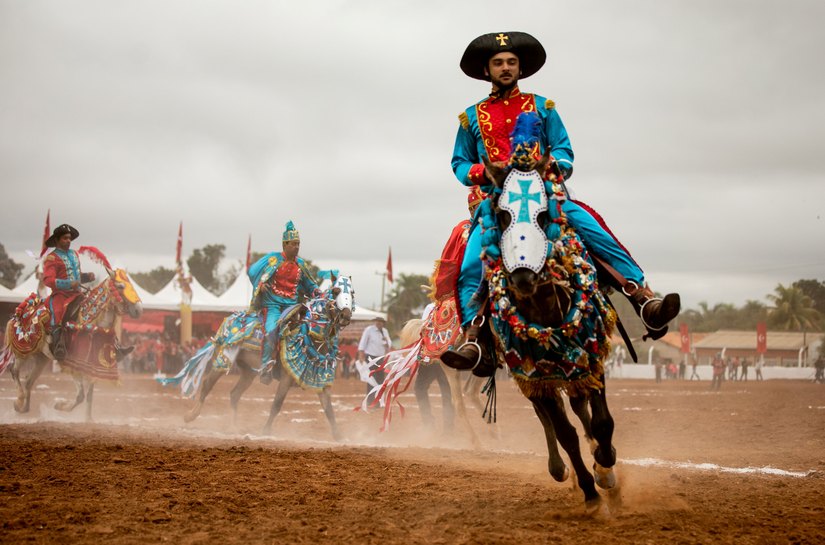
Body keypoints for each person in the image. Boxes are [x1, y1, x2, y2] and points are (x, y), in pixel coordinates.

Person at [442, 32, 680, 371]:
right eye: (498, 63)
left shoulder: (543, 107)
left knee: (592, 229)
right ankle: (472, 337)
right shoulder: (470, 117)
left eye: (511, 62)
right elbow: (459, 164)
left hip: (544, 196)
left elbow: (564, 150)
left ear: (520, 68)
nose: (506, 68)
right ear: (487, 70)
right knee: (470, 266)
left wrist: (554, 167)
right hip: (496, 205)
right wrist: (486, 172)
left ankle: (642, 299)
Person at [248, 221, 319, 368]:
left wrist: (316, 291)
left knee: (310, 330)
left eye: (298, 244)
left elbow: (310, 284)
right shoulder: (272, 259)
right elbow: (252, 271)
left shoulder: (301, 264)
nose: (297, 247)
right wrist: (260, 285)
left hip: (293, 307)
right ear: (284, 245)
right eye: (293, 244)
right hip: (273, 306)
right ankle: (266, 364)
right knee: (271, 331)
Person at [42, 224, 96, 360]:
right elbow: (48, 280)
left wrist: (86, 277)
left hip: (77, 294)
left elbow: (76, 278)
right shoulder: (51, 258)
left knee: (95, 308)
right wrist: (67, 284)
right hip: (61, 295)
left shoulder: (74, 254)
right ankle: (58, 347)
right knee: (58, 312)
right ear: (57, 240)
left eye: (70, 238)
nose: (68, 241)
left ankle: (113, 345)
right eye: (65, 238)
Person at [357, 316, 392, 406]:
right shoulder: (369, 330)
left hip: (381, 358)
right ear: (375, 322)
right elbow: (363, 343)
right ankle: (370, 401)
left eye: (380, 322)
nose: (378, 323)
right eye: (377, 321)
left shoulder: (385, 331)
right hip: (370, 358)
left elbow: (389, 345)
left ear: (383, 323)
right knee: (371, 380)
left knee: (380, 380)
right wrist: (361, 355)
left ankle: (378, 401)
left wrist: (386, 342)